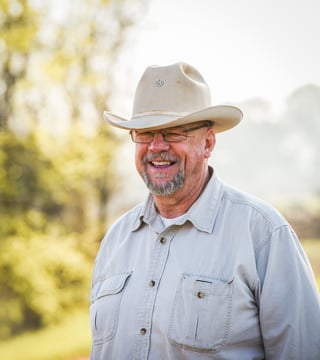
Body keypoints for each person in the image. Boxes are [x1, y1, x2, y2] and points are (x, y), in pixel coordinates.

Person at [90, 62, 320, 359]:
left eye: (173, 132)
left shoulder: (262, 233)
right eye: (145, 133)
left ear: (208, 143)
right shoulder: (115, 240)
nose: (157, 147)